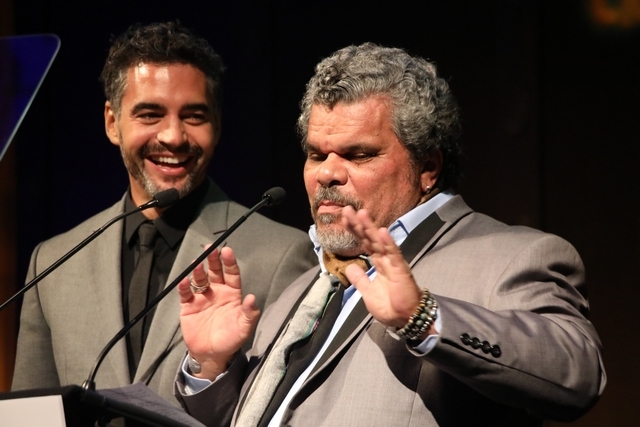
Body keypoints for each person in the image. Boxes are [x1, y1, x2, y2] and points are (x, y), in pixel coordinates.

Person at [174, 43, 606, 427]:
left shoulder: (513, 256)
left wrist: (423, 317)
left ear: (428, 167)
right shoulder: (299, 292)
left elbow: (578, 375)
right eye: (316, 155)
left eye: (358, 154)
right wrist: (212, 366)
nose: (327, 173)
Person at [11, 22, 317, 407]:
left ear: (217, 123)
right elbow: (28, 412)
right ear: (112, 123)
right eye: (150, 114)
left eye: (194, 116)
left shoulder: (282, 256)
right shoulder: (53, 262)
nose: (173, 136)